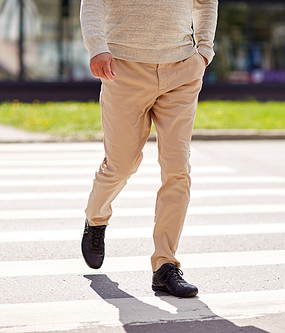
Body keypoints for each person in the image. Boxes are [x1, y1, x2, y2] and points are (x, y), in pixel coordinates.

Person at [79, 0, 218, 298]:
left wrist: (204, 51)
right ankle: (96, 218)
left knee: (177, 168)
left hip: (182, 69)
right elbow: (93, 3)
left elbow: (205, 2)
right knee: (121, 164)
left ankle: (165, 265)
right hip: (122, 69)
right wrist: (97, 46)